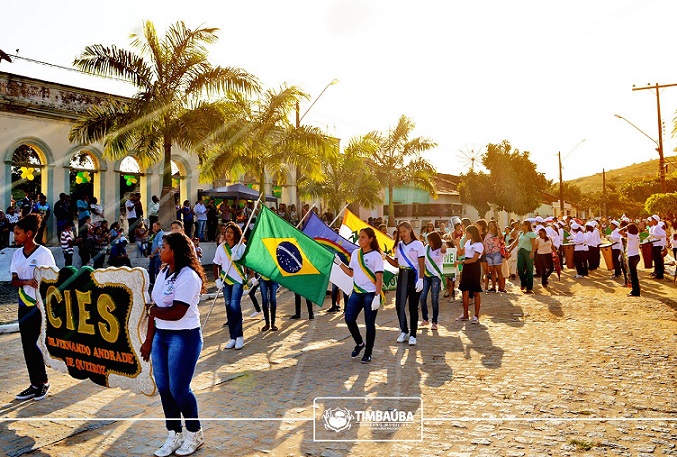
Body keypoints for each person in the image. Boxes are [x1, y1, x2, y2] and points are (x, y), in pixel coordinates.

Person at [141, 232, 207, 457]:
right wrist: (149, 340)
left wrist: (152, 310)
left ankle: (194, 433)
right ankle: (174, 433)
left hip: (184, 337)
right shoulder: (163, 272)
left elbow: (177, 312)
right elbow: (155, 307)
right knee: (164, 389)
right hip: (161, 337)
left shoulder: (189, 276)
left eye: (164, 247)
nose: (161, 250)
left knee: (179, 390)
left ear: (175, 251)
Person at [11, 214, 56, 401]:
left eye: (18, 233)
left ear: (29, 233)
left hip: (40, 306)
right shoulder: (16, 254)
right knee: (27, 345)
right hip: (24, 305)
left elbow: (53, 278)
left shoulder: (44, 253)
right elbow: (14, 281)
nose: (14, 236)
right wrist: (26, 281)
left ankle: (43, 382)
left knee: (35, 343)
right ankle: (34, 383)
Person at [335, 227, 383, 364]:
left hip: (370, 294)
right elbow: (351, 273)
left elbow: (379, 278)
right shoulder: (355, 253)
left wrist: (377, 296)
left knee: (369, 324)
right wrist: (340, 264)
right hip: (357, 292)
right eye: (359, 237)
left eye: (363, 237)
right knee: (349, 319)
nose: (360, 239)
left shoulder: (376, 256)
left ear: (370, 239)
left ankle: (368, 353)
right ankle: (360, 343)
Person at [385, 221, 425, 346]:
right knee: (399, 305)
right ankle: (404, 330)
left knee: (413, 307)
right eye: (400, 232)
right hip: (402, 275)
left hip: (414, 276)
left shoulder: (418, 245)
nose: (402, 234)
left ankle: (413, 334)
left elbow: (421, 263)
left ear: (410, 230)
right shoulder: (399, 246)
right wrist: (386, 257)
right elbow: (396, 263)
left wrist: (421, 279)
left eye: (404, 231)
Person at [213, 222, 247, 350]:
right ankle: (232, 337)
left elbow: (248, 262)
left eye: (231, 232)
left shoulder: (241, 247)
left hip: (237, 280)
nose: (228, 234)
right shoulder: (221, 247)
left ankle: (239, 336)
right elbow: (215, 264)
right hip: (226, 280)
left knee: (234, 305)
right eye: (227, 232)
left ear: (236, 234)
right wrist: (217, 280)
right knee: (228, 306)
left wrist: (238, 258)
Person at [455, 225, 483, 323]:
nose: (466, 234)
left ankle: (476, 316)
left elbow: (474, 259)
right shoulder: (467, 242)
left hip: (474, 267)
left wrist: (461, 262)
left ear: (472, 233)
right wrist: (458, 244)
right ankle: (465, 314)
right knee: (464, 291)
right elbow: (461, 253)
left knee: (475, 291)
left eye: (467, 232)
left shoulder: (479, 244)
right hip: (467, 266)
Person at [419, 231, 446, 330]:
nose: (429, 243)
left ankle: (435, 321)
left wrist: (442, 242)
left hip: (436, 276)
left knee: (434, 299)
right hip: (426, 275)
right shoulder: (426, 248)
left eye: (430, 241)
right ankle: (425, 319)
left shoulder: (441, 250)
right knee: (422, 297)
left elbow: (444, 247)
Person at [508, 220, 538, 294]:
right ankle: (523, 282)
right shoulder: (521, 233)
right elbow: (516, 242)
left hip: (528, 252)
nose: (521, 226)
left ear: (527, 225)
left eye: (523, 225)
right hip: (520, 251)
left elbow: (534, 244)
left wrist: (532, 252)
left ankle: (529, 287)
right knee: (520, 267)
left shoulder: (531, 234)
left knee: (529, 269)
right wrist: (510, 249)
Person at [483, 220, 505, 292]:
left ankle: (501, 288)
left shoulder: (497, 233)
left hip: (496, 253)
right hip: (488, 254)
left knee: (499, 271)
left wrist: (498, 228)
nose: (490, 227)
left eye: (492, 225)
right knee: (492, 272)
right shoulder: (487, 234)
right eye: (489, 225)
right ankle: (493, 287)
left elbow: (501, 237)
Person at [620, 223, 641, 297]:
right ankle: (636, 290)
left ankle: (635, 291)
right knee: (634, 274)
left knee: (633, 275)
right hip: (636, 255)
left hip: (632, 256)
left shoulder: (631, 235)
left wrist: (625, 227)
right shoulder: (637, 236)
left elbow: (620, 232)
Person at [648, 215, 666, 280]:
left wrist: (654, 235)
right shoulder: (655, 227)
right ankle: (657, 272)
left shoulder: (658, 227)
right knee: (656, 260)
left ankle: (660, 274)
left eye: (652, 220)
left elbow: (663, 235)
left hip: (658, 245)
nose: (651, 221)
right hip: (654, 244)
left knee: (658, 260)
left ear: (655, 220)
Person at [148, 222, 164, 287]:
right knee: (151, 269)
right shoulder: (155, 234)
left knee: (157, 270)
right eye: (153, 226)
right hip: (153, 255)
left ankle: (158, 285)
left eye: (155, 226)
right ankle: (152, 283)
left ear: (159, 226)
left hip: (157, 255)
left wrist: (153, 253)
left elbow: (159, 245)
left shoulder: (160, 234)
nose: (153, 228)